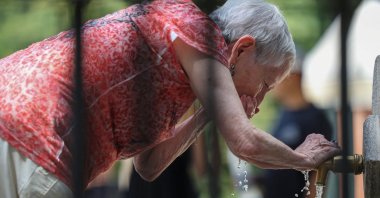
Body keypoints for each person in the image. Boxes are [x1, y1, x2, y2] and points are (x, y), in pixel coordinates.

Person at [0, 0, 341, 197]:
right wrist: (303, 159)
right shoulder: (201, 36)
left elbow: (148, 166)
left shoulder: (173, 50)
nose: (261, 99)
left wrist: (210, 113)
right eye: (266, 83)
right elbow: (245, 143)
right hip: (37, 138)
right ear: (242, 48)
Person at [255, 48, 334, 198]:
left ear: (294, 75)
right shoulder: (283, 113)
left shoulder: (316, 118)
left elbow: (319, 176)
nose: (270, 81)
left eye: (275, 74)